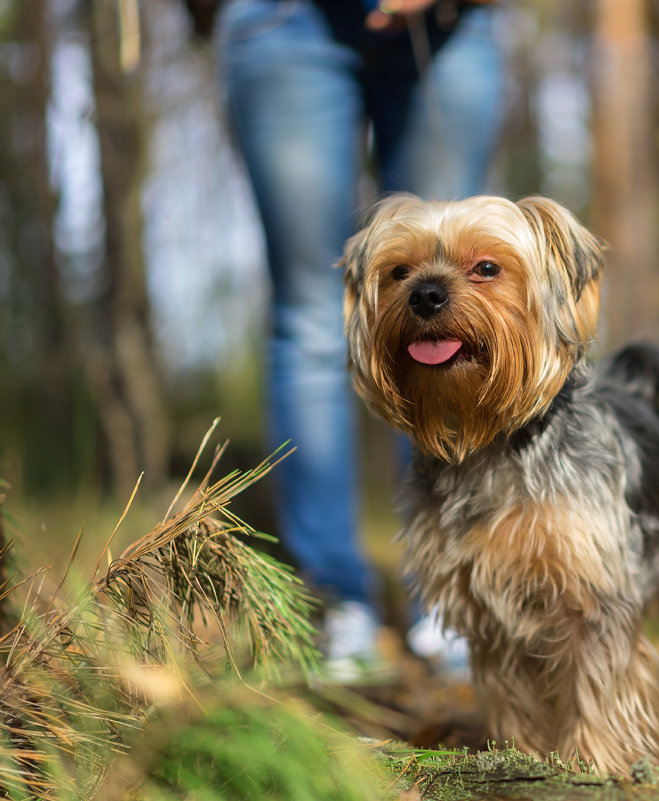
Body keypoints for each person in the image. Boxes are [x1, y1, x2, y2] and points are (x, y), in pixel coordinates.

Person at [215, 0, 503, 678]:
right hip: (283, 21)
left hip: (450, 25)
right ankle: (338, 601)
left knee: (458, 300)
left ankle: (448, 595)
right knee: (315, 316)